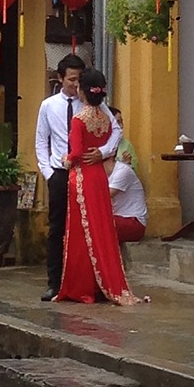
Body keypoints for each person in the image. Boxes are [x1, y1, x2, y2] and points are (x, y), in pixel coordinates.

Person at [36, 54, 122, 302]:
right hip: (60, 172)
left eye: (79, 79)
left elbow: (116, 129)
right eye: (71, 79)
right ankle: (55, 282)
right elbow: (41, 140)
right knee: (57, 228)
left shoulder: (93, 104)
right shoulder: (49, 105)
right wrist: (48, 172)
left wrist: (103, 152)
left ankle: (89, 281)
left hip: (85, 169)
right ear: (60, 78)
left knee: (86, 228)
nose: (75, 85)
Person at [56, 69, 140, 306]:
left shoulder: (79, 119)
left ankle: (82, 287)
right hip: (99, 175)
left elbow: (75, 152)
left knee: (81, 231)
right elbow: (114, 133)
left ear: (83, 90)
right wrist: (102, 153)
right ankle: (101, 281)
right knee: (99, 227)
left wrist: (66, 161)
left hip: (82, 175)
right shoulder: (104, 116)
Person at [105, 151, 148, 243]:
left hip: (133, 222)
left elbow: (104, 196)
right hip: (117, 218)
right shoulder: (102, 174)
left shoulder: (123, 171)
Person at [110, 107, 138, 172]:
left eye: (121, 122)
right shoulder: (99, 144)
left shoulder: (126, 145)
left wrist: (127, 165)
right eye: (117, 122)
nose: (121, 126)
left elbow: (134, 172)